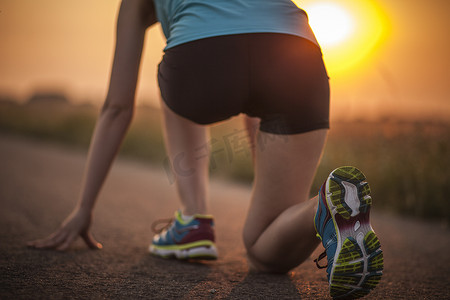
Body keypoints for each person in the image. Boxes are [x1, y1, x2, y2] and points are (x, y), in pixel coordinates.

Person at [28, 0, 383, 298]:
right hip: (298, 58)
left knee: (173, 66)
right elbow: (254, 58)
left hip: (200, 63)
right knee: (264, 243)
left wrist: (84, 208)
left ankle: (193, 220)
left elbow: (117, 107)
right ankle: (325, 205)